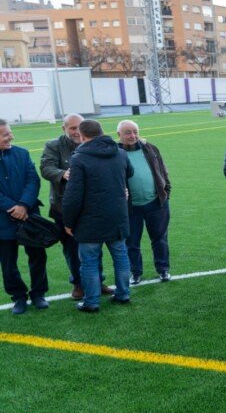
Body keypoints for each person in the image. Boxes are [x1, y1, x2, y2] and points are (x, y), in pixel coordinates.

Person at [62, 120, 133, 313]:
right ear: (102, 132)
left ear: (83, 136)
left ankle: (91, 301)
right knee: (120, 257)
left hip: (89, 221)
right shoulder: (120, 153)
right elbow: (130, 173)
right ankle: (123, 294)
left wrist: (68, 221)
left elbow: (73, 195)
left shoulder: (79, 158)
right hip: (117, 216)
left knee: (89, 262)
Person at [41, 113, 114, 300]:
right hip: (64, 208)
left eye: (79, 127)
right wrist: (64, 173)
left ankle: (98, 281)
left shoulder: (93, 143)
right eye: (72, 127)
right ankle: (78, 285)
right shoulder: (53, 145)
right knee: (72, 249)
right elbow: (46, 169)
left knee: (94, 247)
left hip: (91, 207)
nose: (76, 131)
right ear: (63, 128)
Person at [0, 119, 48, 314]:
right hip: (3, 218)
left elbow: (33, 180)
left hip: (28, 215)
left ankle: (39, 294)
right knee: (8, 262)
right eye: (5, 134)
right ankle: (18, 296)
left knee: (37, 255)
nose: (11, 136)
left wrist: (24, 205)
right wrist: (13, 207)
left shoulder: (22, 153)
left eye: (9, 132)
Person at [116, 120, 172, 285]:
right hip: (130, 207)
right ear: (119, 135)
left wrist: (166, 190)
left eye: (135, 131)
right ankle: (136, 273)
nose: (132, 136)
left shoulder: (150, 148)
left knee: (160, 239)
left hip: (157, 203)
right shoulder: (116, 153)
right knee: (131, 243)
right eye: (128, 132)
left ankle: (163, 270)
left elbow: (162, 169)